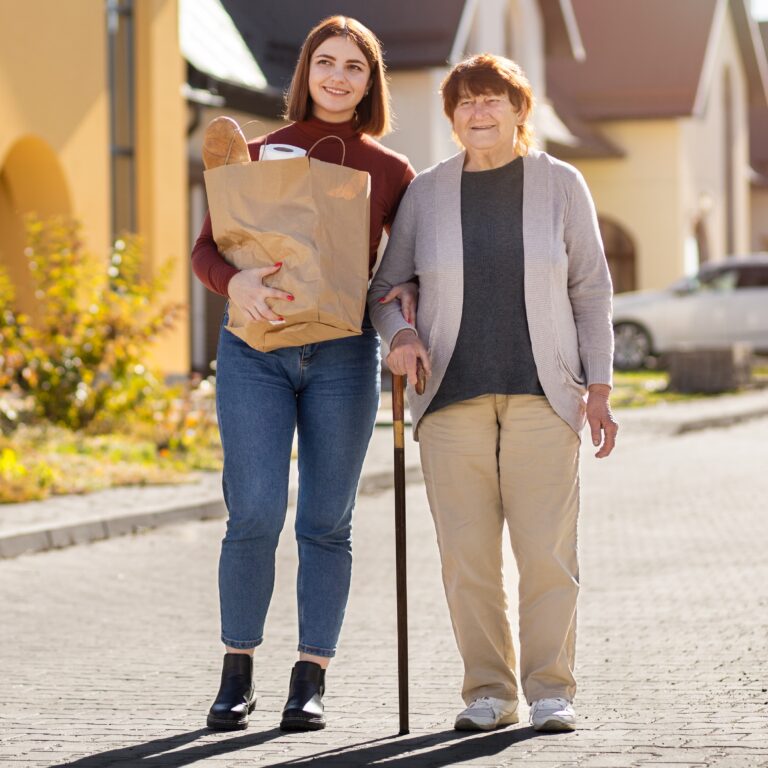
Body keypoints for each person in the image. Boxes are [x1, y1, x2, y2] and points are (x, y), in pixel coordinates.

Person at [369, 53, 617, 734]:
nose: (479, 113)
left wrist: (598, 386)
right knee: (468, 559)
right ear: (451, 118)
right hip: (451, 398)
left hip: (545, 396)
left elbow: (590, 291)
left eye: (492, 101)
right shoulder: (427, 191)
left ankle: (549, 690)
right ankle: (488, 690)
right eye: (465, 103)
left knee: (546, 554)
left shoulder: (560, 184)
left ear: (519, 110)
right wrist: (399, 337)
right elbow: (384, 291)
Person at [192, 16, 415, 732]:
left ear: (369, 82)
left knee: (326, 522)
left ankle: (309, 675)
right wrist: (237, 283)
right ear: (306, 73)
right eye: (327, 62)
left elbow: (400, 270)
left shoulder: (392, 172)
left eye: (355, 66)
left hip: (345, 357)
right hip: (255, 351)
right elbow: (206, 252)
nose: (338, 76)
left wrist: (406, 309)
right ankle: (237, 672)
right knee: (253, 512)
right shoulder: (254, 154)